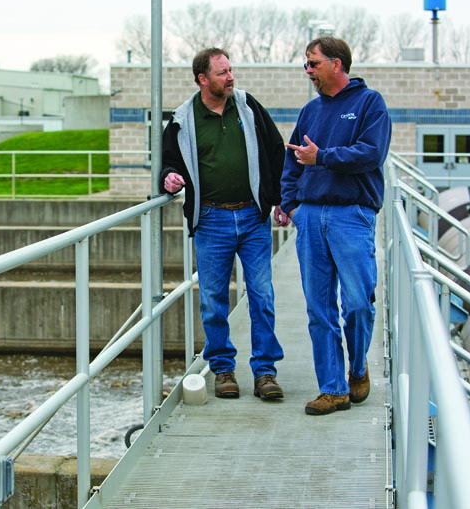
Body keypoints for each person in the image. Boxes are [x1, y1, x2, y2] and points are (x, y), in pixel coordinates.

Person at [160, 47, 290, 400]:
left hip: (253, 216)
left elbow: (276, 150)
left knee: (262, 294)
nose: (230, 77)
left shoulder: (248, 106)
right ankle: (222, 369)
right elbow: (168, 163)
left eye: (230, 70)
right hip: (211, 219)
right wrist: (169, 177)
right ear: (202, 79)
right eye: (222, 73)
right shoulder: (183, 119)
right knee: (213, 299)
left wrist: (282, 198)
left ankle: (265, 372)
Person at [280, 36, 392, 415]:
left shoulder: (369, 103)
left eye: (313, 63)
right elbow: (293, 160)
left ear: (337, 64)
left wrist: (323, 157)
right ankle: (333, 388)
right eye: (306, 64)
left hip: (352, 216)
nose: (308, 71)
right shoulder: (310, 111)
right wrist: (292, 205)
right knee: (319, 309)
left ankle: (358, 368)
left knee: (358, 303)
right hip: (311, 216)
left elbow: (371, 153)